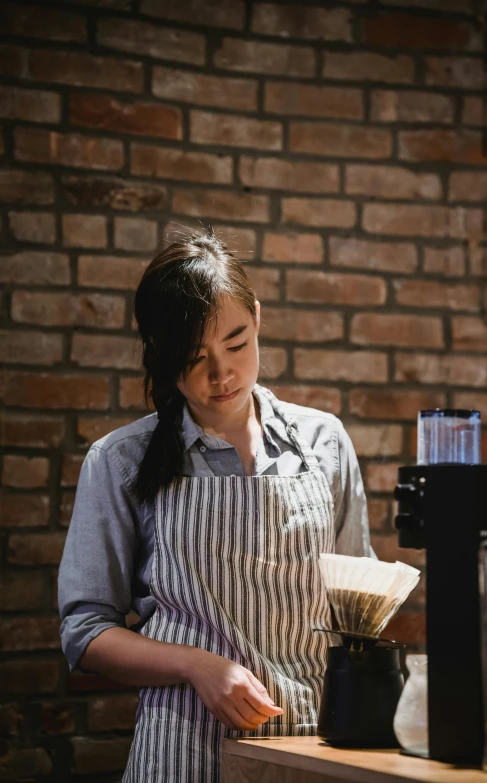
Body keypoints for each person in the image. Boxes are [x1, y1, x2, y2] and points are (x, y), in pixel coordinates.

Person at [58, 228, 373, 783]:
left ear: (257, 317)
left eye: (237, 342)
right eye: (195, 357)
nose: (222, 374)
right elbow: (86, 632)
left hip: (316, 744)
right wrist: (197, 666)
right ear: (160, 352)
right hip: (184, 746)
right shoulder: (121, 460)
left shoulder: (324, 442)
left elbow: (356, 613)